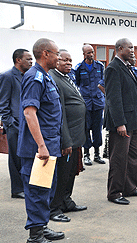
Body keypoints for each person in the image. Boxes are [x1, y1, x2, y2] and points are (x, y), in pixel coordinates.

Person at [17, 38, 64, 242]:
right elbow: (29, 113)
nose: (59, 57)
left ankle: (41, 226)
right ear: (45, 54)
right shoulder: (34, 77)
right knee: (36, 190)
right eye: (56, 54)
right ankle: (35, 236)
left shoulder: (46, 76)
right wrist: (42, 145)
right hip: (37, 149)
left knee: (46, 189)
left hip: (50, 145)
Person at [104, 38, 137, 205]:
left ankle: (130, 188)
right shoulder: (113, 69)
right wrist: (119, 123)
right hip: (122, 123)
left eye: (133, 47)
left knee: (133, 156)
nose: (132, 50)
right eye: (129, 47)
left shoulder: (128, 67)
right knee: (119, 158)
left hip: (134, 121)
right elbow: (113, 99)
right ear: (119, 48)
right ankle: (115, 193)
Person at [49, 50, 87, 223]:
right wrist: (66, 139)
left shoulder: (66, 77)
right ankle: (54, 208)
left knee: (71, 172)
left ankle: (66, 201)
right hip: (67, 137)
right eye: (65, 60)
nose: (69, 63)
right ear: (57, 61)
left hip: (76, 136)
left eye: (71, 60)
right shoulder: (54, 79)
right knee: (62, 174)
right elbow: (61, 113)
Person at [0, 49, 33, 199]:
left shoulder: (27, 76)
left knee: (25, 157)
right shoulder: (7, 76)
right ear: (18, 60)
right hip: (14, 125)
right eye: (28, 59)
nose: (31, 62)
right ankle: (17, 189)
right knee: (15, 158)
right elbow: (2, 103)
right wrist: (10, 123)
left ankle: (25, 185)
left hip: (27, 124)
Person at [74, 44, 105, 166]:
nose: (91, 54)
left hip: (97, 102)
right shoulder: (79, 68)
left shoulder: (99, 66)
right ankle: (86, 155)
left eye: (92, 52)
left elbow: (103, 81)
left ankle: (97, 154)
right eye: (88, 53)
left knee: (97, 129)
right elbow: (76, 84)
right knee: (86, 128)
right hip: (85, 103)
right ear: (83, 54)